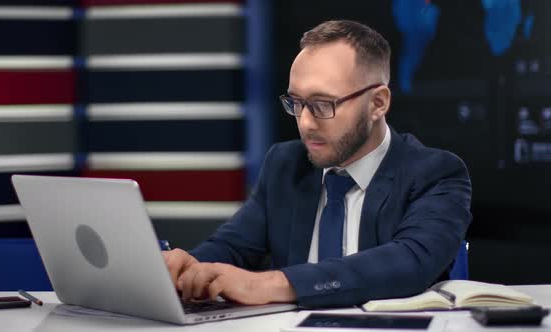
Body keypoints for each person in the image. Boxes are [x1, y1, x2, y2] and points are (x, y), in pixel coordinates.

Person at [163, 20, 472, 308]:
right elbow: (232, 247)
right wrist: (191, 268)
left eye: (323, 104)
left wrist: (274, 284)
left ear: (378, 103)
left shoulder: (435, 173)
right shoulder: (285, 164)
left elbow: (409, 262)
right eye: (296, 103)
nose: (306, 123)